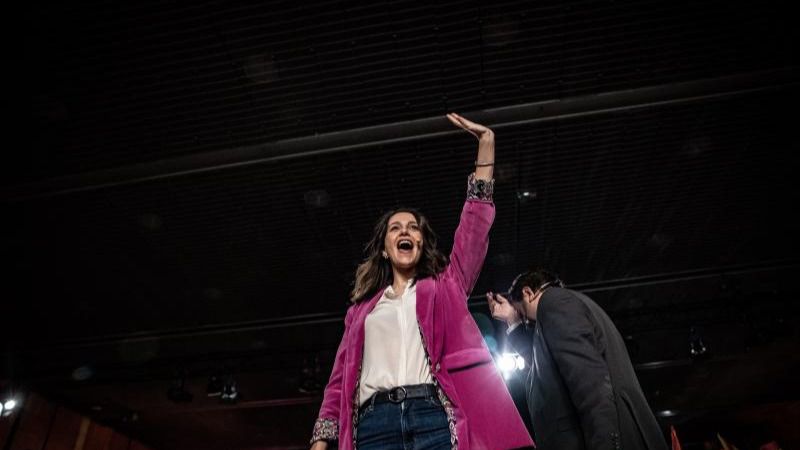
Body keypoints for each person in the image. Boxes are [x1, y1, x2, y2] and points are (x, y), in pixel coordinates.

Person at [310, 114, 534, 450]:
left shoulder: (445, 286)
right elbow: (338, 381)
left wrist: (486, 149)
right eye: (395, 228)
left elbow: (473, 231)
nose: (405, 231)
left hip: (433, 417)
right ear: (385, 249)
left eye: (413, 227)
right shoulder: (360, 312)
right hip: (374, 425)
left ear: (420, 242)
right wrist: (320, 441)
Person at [487, 269, 668, 450]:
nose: (527, 322)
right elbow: (544, 367)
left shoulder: (553, 303)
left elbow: (590, 383)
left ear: (528, 293)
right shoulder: (566, 306)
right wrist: (513, 321)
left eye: (522, 313)